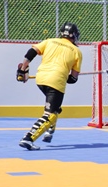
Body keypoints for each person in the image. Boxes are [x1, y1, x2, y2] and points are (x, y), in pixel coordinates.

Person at [17, 22, 82, 150]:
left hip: (41, 78)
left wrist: (23, 69)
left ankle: (49, 132)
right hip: (56, 82)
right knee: (50, 114)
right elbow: (73, 79)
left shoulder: (49, 41)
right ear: (74, 36)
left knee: (54, 107)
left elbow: (31, 52)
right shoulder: (76, 51)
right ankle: (29, 138)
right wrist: (64, 75)